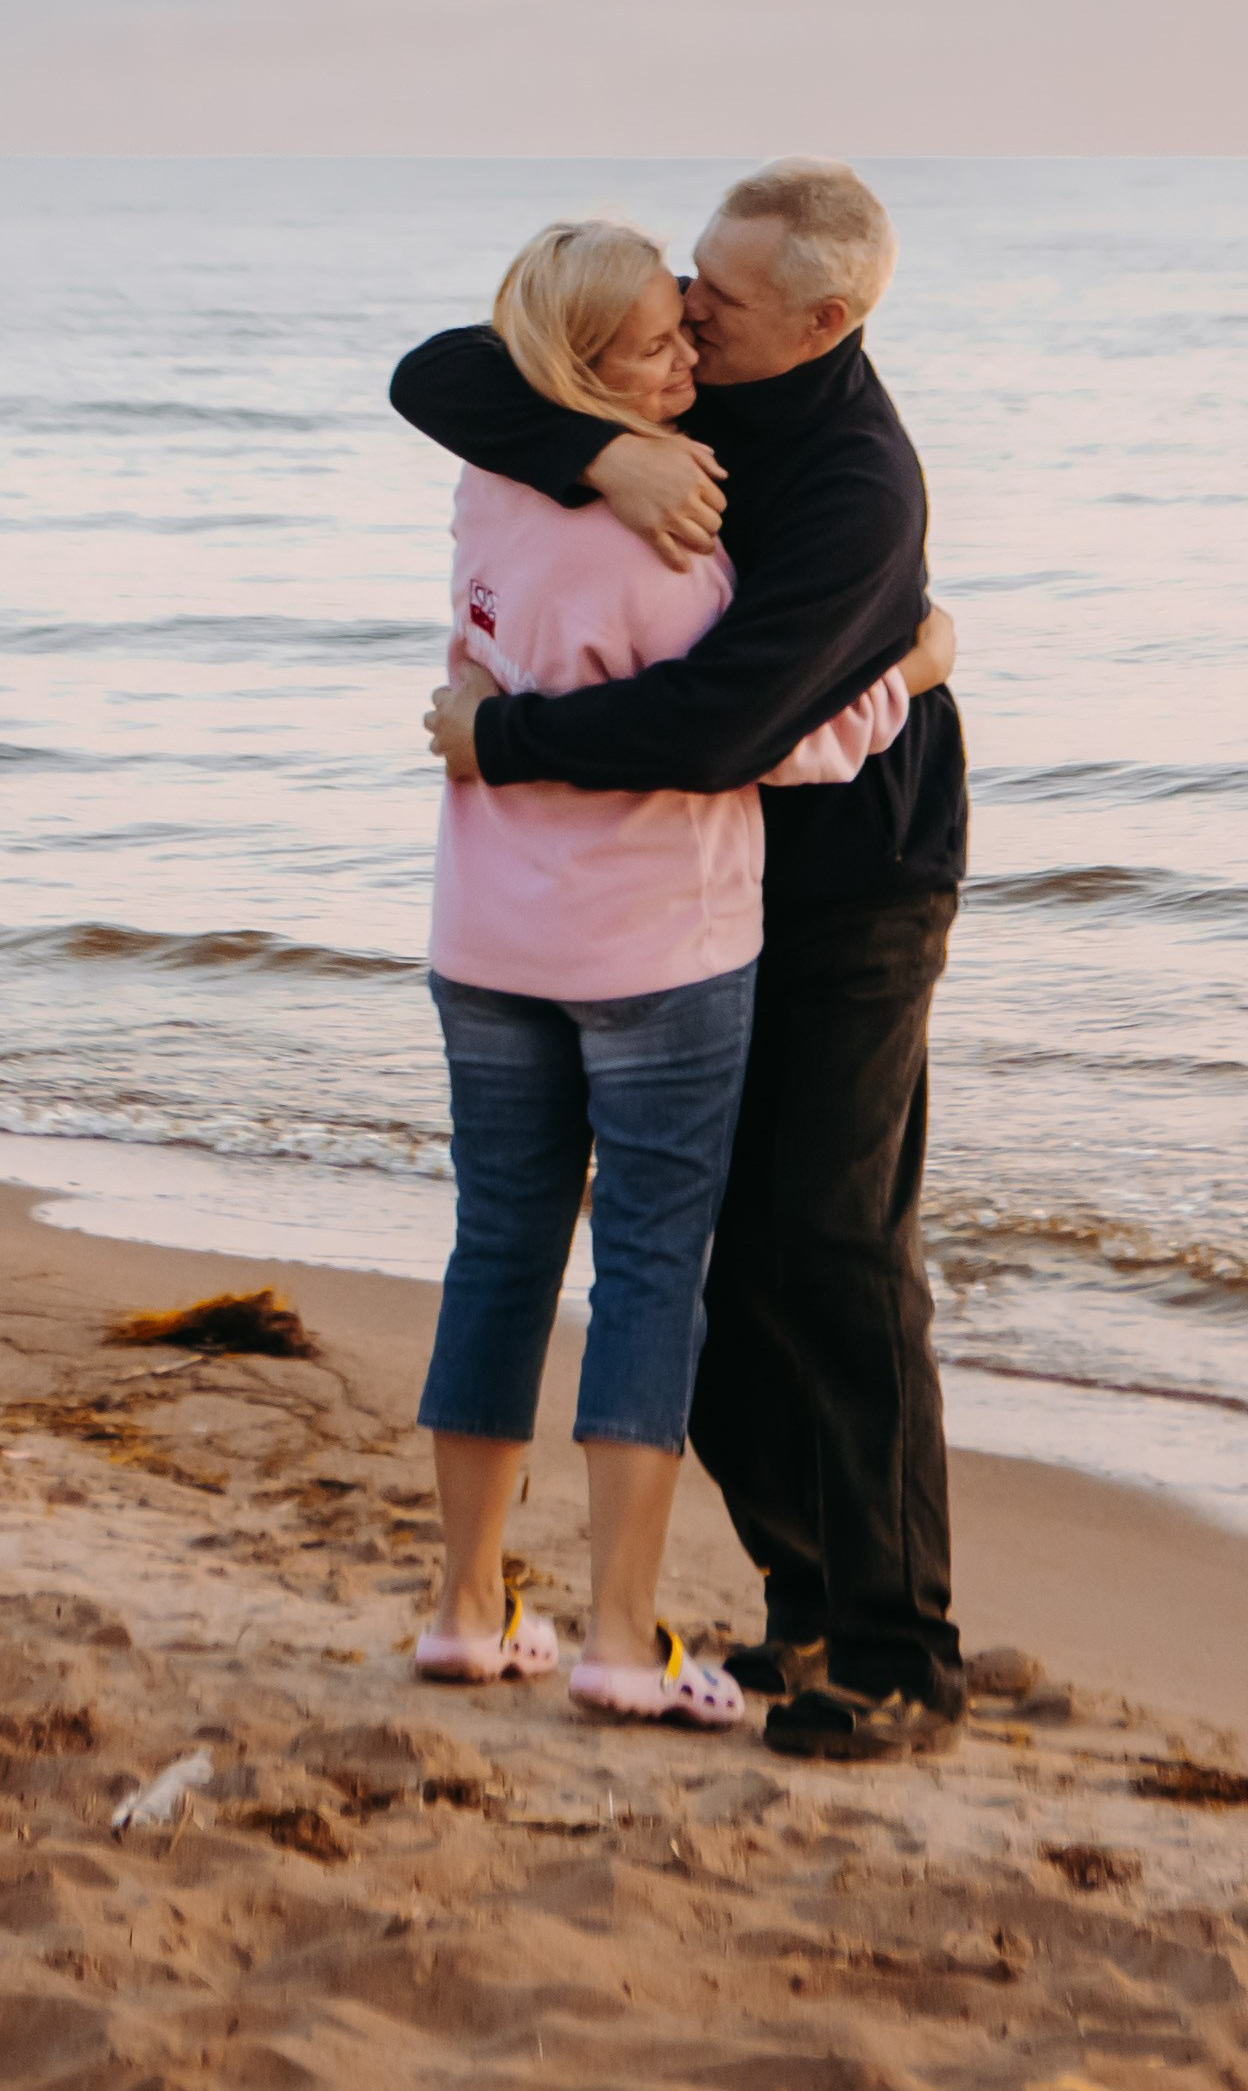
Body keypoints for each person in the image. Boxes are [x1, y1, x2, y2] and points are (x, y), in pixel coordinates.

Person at [396, 158, 972, 1763]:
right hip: (693, 889)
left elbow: (728, 726)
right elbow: (440, 369)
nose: (693, 312)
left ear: (827, 316)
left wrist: (497, 732)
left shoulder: (859, 485)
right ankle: (802, 1597)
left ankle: (900, 1646)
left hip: (855, 879)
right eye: (687, 285)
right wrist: (604, 452)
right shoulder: (672, 403)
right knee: (707, 1250)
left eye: (721, 295)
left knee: (834, 1246)